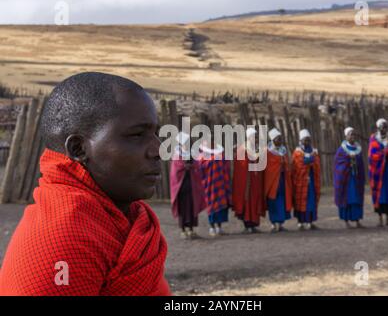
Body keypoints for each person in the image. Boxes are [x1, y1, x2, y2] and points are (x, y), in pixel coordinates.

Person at [0, 72, 170, 295]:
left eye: (156, 134)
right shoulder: (64, 238)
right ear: (78, 149)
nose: (159, 150)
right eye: (137, 135)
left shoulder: (122, 218)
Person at [170, 132, 206, 240]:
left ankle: (191, 229)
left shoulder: (192, 153)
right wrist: (185, 166)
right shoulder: (177, 154)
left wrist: (192, 165)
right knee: (183, 208)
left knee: (191, 206)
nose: (187, 144)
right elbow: (175, 170)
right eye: (185, 142)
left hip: (191, 185)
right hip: (180, 187)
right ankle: (183, 230)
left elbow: (197, 164)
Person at [232, 127, 266, 233]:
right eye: (254, 137)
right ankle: (247, 225)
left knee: (255, 200)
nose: (256, 139)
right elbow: (241, 166)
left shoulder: (257, 148)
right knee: (247, 201)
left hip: (256, 181)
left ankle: (254, 224)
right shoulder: (242, 149)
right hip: (246, 182)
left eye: (256, 137)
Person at [368, 118, 388, 227]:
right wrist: (382, 153)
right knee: (379, 195)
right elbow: (372, 155)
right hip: (378, 173)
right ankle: (380, 219)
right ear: (378, 128)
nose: (384, 129)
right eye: (382, 127)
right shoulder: (374, 139)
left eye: (386, 127)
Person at [198, 138, 232, 237]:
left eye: (213, 141)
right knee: (211, 207)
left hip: (220, 185)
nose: (211, 142)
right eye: (209, 141)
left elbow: (226, 166)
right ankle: (212, 227)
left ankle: (219, 227)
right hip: (208, 186)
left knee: (221, 208)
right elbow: (199, 169)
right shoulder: (202, 156)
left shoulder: (220, 154)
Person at [334, 127, 365, 228]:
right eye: (350, 134)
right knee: (347, 199)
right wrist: (348, 159)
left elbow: (361, 163)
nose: (352, 136)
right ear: (346, 136)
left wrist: (356, 160)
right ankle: (346, 221)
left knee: (356, 199)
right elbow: (338, 164)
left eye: (354, 134)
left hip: (356, 179)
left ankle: (357, 221)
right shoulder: (341, 150)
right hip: (346, 180)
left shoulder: (358, 148)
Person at [264, 128, 293, 232]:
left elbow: (288, 164)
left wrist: (285, 166)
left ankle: (280, 224)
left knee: (282, 201)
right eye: (278, 139)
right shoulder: (268, 151)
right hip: (272, 182)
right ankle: (273, 223)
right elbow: (267, 167)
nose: (280, 141)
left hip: (282, 180)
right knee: (273, 202)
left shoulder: (283, 150)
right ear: (273, 140)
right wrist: (277, 166)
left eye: (280, 139)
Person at [292, 129, 321, 230]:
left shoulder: (313, 151)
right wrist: (310, 160)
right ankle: (300, 222)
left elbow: (316, 162)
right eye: (305, 140)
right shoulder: (297, 152)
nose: (307, 142)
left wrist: (309, 160)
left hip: (311, 181)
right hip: (301, 181)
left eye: (308, 140)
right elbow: (299, 165)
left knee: (311, 201)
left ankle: (310, 222)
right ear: (301, 140)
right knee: (300, 202)